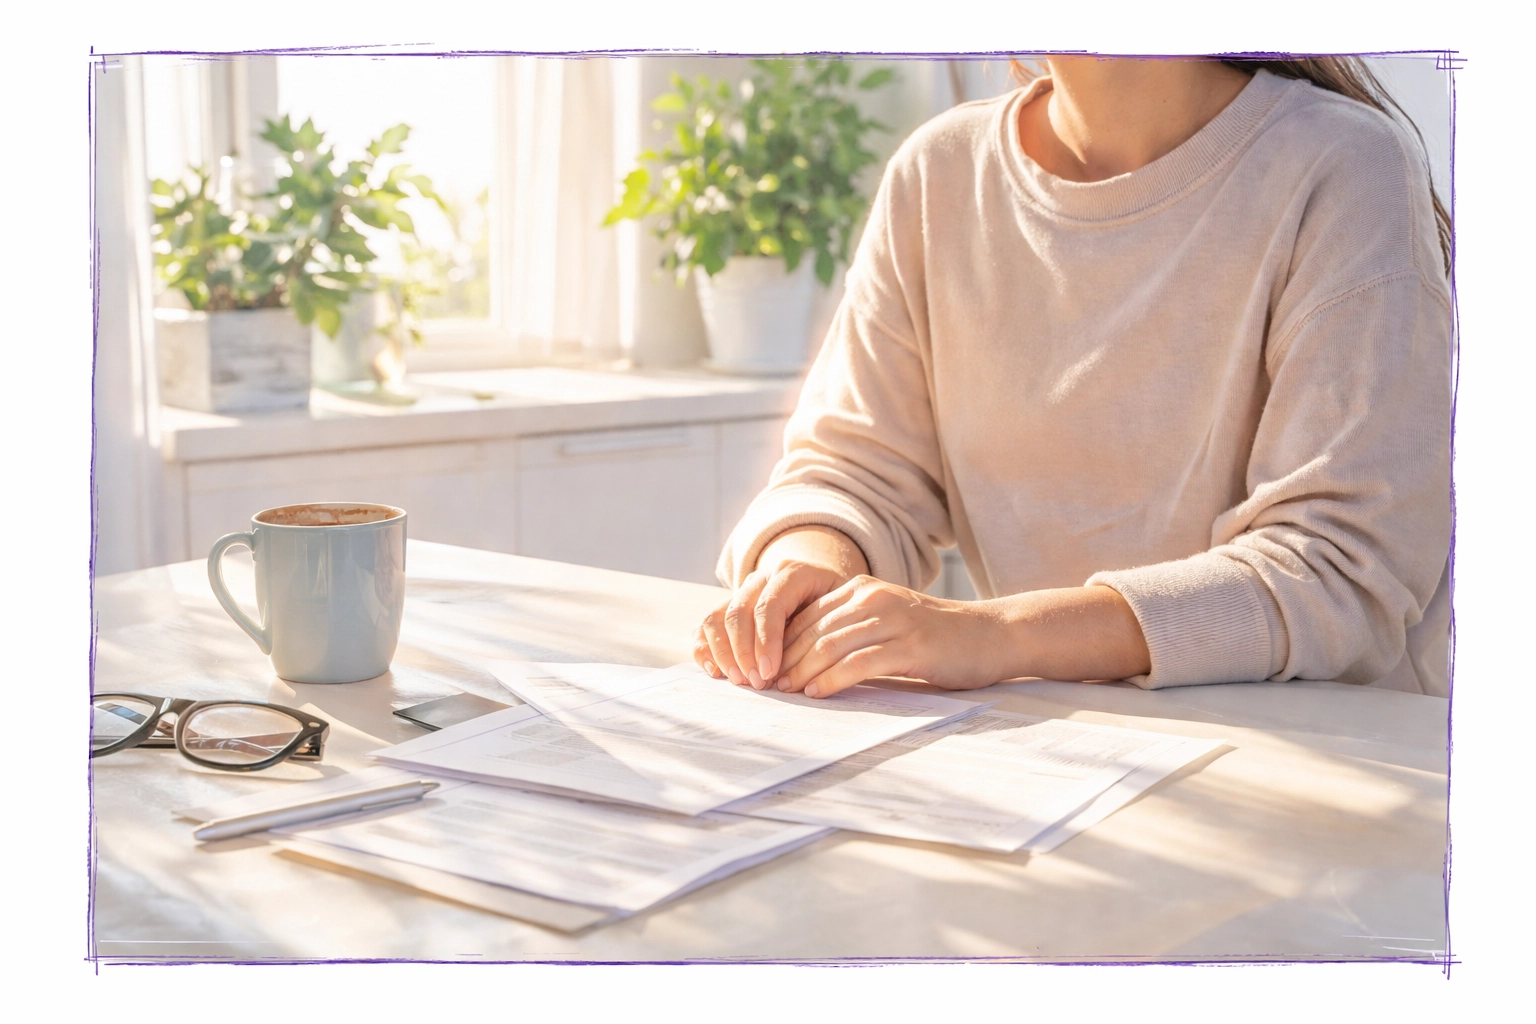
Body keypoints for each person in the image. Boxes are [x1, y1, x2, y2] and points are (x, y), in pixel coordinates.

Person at [693, 56, 1453, 701]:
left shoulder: (1346, 169)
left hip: (1327, 776)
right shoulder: (939, 173)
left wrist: (996, 636)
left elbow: (1339, 572)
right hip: (1062, 759)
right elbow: (853, 473)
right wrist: (807, 569)